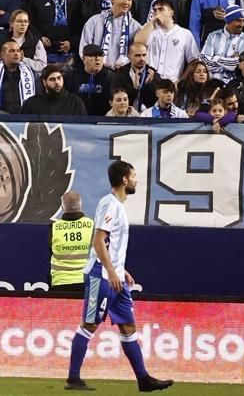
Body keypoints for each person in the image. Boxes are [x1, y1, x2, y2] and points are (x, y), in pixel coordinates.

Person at [65, 160, 174, 391]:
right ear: (124, 180)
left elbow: (109, 243)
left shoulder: (117, 206)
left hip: (115, 277)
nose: (136, 180)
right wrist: (112, 271)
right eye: (133, 176)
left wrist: (120, 269)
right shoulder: (110, 204)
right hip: (101, 275)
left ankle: (143, 380)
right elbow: (98, 240)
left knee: (128, 326)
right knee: (90, 324)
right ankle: (73, 378)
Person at [50, 190, 93, 294]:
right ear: (80, 205)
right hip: (87, 281)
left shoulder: (53, 228)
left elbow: (50, 249)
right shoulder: (92, 225)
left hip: (61, 282)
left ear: (62, 207)